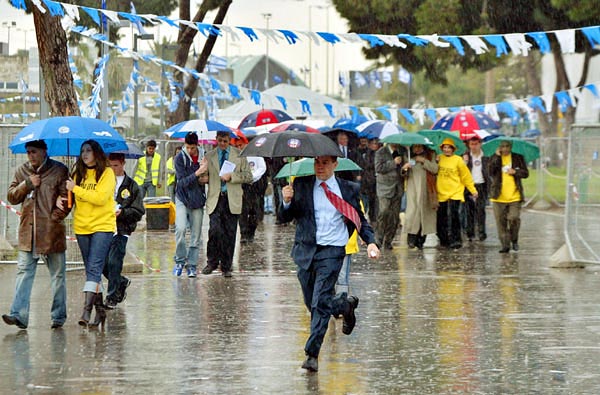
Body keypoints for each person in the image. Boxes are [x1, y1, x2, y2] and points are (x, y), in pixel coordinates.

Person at [279, 155, 380, 372]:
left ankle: (312, 354)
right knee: (313, 304)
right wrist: (286, 202)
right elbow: (286, 218)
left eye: (325, 163)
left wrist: (370, 242)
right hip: (306, 251)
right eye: (317, 162)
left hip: (333, 252)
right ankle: (345, 305)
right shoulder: (302, 185)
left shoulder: (348, 189)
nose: (320, 167)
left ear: (335, 164)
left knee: (319, 302)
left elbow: (359, 219)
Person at [2, 140, 70, 330]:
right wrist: (27, 184)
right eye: (28, 152)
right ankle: (18, 314)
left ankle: (58, 316)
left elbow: (67, 200)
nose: (30, 155)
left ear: (43, 151)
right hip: (28, 233)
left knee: (57, 276)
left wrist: (54, 218)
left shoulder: (59, 170)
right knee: (24, 273)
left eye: (34, 152)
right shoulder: (22, 171)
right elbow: (12, 196)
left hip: (51, 233)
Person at [65, 140, 116, 329]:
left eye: (89, 150)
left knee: (94, 269)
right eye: (82, 151)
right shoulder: (77, 173)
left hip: (102, 227)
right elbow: (72, 199)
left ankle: (86, 311)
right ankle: (100, 311)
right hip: (82, 227)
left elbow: (100, 198)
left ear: (97, 153)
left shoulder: (107, 173)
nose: (85, 154)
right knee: (91, 272)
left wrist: (76, 189)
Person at [199, 130, 252, 277]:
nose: (222, 144)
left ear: (230, 141)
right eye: (220, 141)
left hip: (232, 199)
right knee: (215, 230)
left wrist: (232, 176)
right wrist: (203, 172)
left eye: (225, 141)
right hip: (215, 199)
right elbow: (203, 177)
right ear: (216, 140)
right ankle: (212, 261)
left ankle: (227, 266)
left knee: (230, 233)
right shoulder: (209, 156)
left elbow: (248, 176)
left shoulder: (239, 155)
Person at [103, 153, 145, 309]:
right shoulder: (104, 182)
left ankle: (112, 296)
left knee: (115, 262)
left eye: (116, 166)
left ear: (123, 164)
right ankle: (121, 282)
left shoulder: (132, 186)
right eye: (110, 166)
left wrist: (123, 213)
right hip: (104, 228)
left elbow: (138, 210)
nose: (113, 169)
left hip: (121, 230)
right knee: (102, 264)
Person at [172, 132, 206, 278]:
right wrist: (198, 173)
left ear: (197, 145)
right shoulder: (180, 158)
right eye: (188, 147)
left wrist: (204, 177)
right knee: (180, 229)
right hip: (182, 198)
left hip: (197, 200)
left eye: (193, 148)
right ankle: (179, 260)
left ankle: (192, 264)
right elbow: (182, 182)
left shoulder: (204, 157)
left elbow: (206, 178)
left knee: (196, 234)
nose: (190, 150)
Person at [436, 138, 478, 250]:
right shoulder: (439, 158)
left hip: (455, 192)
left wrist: (473, 190)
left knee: (454, 216)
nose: (446, 150)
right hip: (441, 192)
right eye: (444, 147)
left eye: (449, 147)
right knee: (441, 217)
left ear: (453, 149)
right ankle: (443, 239)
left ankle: (456, 240)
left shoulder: (458, 160)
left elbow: (466, 176)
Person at [488, 140, 529, 253]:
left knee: (514, 218)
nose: (505, 149)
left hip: (514, 196)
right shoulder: (494, 157)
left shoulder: (518, 157)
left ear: (511, 146)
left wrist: (515, 172)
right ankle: (505, 245)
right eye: (502, 146)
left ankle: (514, 240)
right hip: (498, 196)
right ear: (499, 147)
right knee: (500, 222)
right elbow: (490, 171)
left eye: (507, 146)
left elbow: (526, 173)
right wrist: (496, 156)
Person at [401, 144, 438, 250]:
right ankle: (411, 238)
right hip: (412, 189)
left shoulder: (430, 155)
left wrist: (423, 161)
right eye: (415, 147)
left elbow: (435, 169)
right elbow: (403, 174)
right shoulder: (407, 157)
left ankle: (421, 239)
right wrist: (404, 168)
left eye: (419, 147)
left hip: (426, 190)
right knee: (412, 213)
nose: (417, 149)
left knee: (424, 214)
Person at [233, 135, 268, 244]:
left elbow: (262, 168)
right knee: (242, 211)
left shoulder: (255, 153)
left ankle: (251, 232)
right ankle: (243, 233)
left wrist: (253, 177)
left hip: (255, 185)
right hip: (242, 186)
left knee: (254, 210)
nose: (240, 147)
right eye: (237, 145)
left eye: (241, 145)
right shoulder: (236, 156)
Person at [374, 142, 405, 249]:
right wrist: (393, 163)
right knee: (383, 212)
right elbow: (378, 168)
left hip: (398, 188)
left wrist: (404, 168)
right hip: (384, 188)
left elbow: (402, 169)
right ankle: (378, 239)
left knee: (394, 216)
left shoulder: (402, 151)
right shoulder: (381, 152)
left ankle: (388, 241)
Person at [463, 137, 490, 241]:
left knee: (481, 209)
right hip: (469, 185)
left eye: (476, 144)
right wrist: (464, 162)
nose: (474, 146)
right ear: (469, 145)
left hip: (481, 185)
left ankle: (482, 232)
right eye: (471, 144)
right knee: (469, 211)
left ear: (480, 144)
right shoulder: (466, 156)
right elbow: (461, 170)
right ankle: (470, 233)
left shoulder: (485, 156)